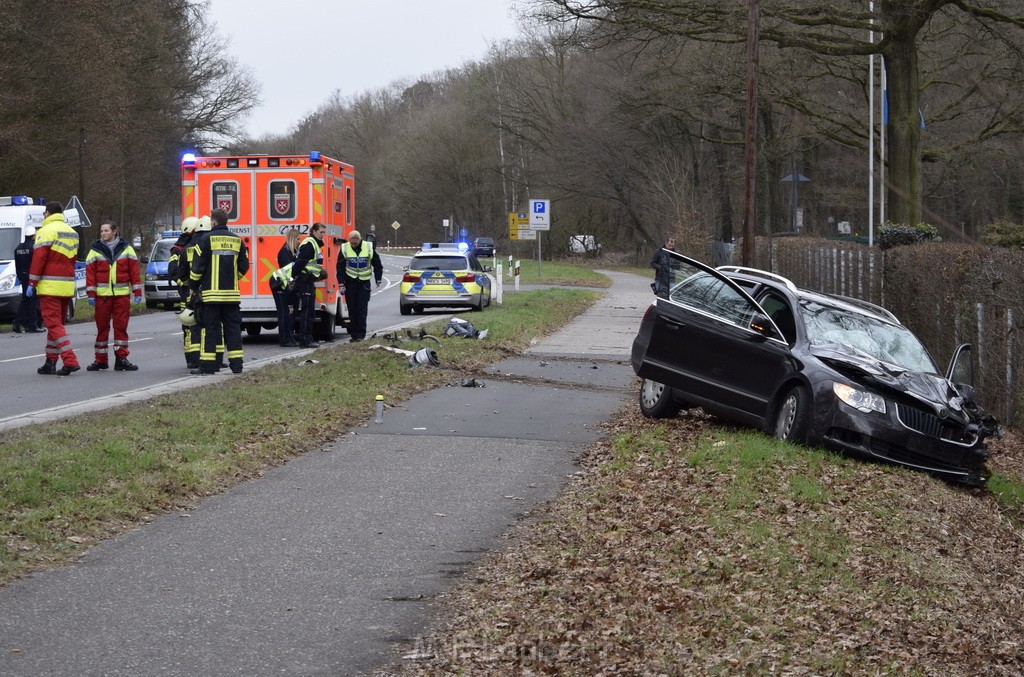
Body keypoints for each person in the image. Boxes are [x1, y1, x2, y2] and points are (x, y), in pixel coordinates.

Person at [188, 209, 249, 375]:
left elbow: (197, 267)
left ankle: (208, 367)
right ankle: (237, 366)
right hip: (231, 296)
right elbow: (244, 265)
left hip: (210, 296)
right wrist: (232, 277)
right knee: (233, 330)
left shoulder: (205, 240)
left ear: (213, 222)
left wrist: (193, 286)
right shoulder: (237, 241)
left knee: (211, 330)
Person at [27, 201, 81, 375]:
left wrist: (32, 282)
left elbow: (39, 260)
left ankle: (70, 360)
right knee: (56, 325)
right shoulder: (72, 232)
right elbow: (72, 260)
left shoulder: (44, 232)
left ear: (48, 213)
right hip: (66, 286)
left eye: (44, 213)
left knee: (53, 324)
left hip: (49, 286)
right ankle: (50, 362)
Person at [84, 221, 142, 371]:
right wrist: (91, 294)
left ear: (114, 231)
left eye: (106, 231)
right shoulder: (95, 250)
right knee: (102, 328)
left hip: (121, 296)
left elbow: (134, 272)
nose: (103, 233)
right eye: (101, 231)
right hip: (102, 297)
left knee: (120, 328)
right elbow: (90, 274)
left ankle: (121, 358)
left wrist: (137, 291)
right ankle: (100, 360)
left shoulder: (127, 249)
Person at [338, 229, 382, 343]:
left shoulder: (368, 247)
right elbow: (340, 267)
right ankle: (353, 335)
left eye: (355, 243)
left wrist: (378, 278)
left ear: (359, 240)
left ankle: (361, 335)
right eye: (351, 243)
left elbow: (377, 264)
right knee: (352, 310)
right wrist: (341, 283)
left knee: (361, 310)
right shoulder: (344, 248)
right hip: (350, 282)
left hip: (364, 282)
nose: (353, 245)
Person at [169, 217, 201, 368]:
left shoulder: (194, 246)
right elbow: (173, 272)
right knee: (188, 328)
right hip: (186, 295)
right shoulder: (178, 249)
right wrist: (187, 284)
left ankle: (198, 357)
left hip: (194, 293)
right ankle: (191, 358)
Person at [291, 222, 327, 348]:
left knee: (310, 311)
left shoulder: (314, 244)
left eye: (324, 232)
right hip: (305, 280)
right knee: (307, 311)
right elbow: (300, 263)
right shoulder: (309, 244)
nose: (323, 235)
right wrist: (293, 277)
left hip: (309, 280)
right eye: (320, 232)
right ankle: (304, 339)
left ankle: (308, 337)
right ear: (313, 231)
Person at [12, 226, 44, 333]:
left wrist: (20, 278)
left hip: (23, 277)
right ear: (33, 236)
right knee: (32, 301)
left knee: (25, 300)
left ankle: (18, 323)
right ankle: (31, 325)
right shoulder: (33, 248)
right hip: (31, 277)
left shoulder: (18, 248)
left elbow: (17, 266)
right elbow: (36, 264)